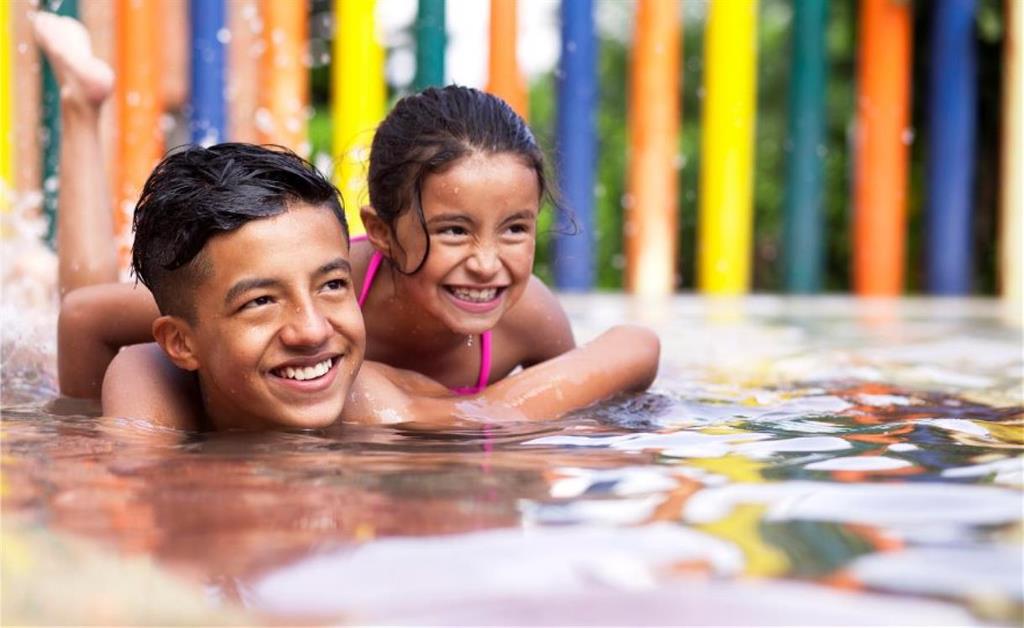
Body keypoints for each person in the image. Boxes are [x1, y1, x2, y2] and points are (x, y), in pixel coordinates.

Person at [43, 8, 575, 398]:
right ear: (382, 232)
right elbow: (84, 318)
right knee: (88, 298)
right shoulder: (316, 285)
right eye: (455, 231)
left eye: (514, 229)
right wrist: (93, 430)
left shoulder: (531, 320)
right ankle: (82, 109)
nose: (487, 264)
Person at [102, 142, 658, 430]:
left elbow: (496, 416)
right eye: (262, 301)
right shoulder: (144, 374)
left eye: (332, 286)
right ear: (180, 344)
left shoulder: (378, 406)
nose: (311, 330)